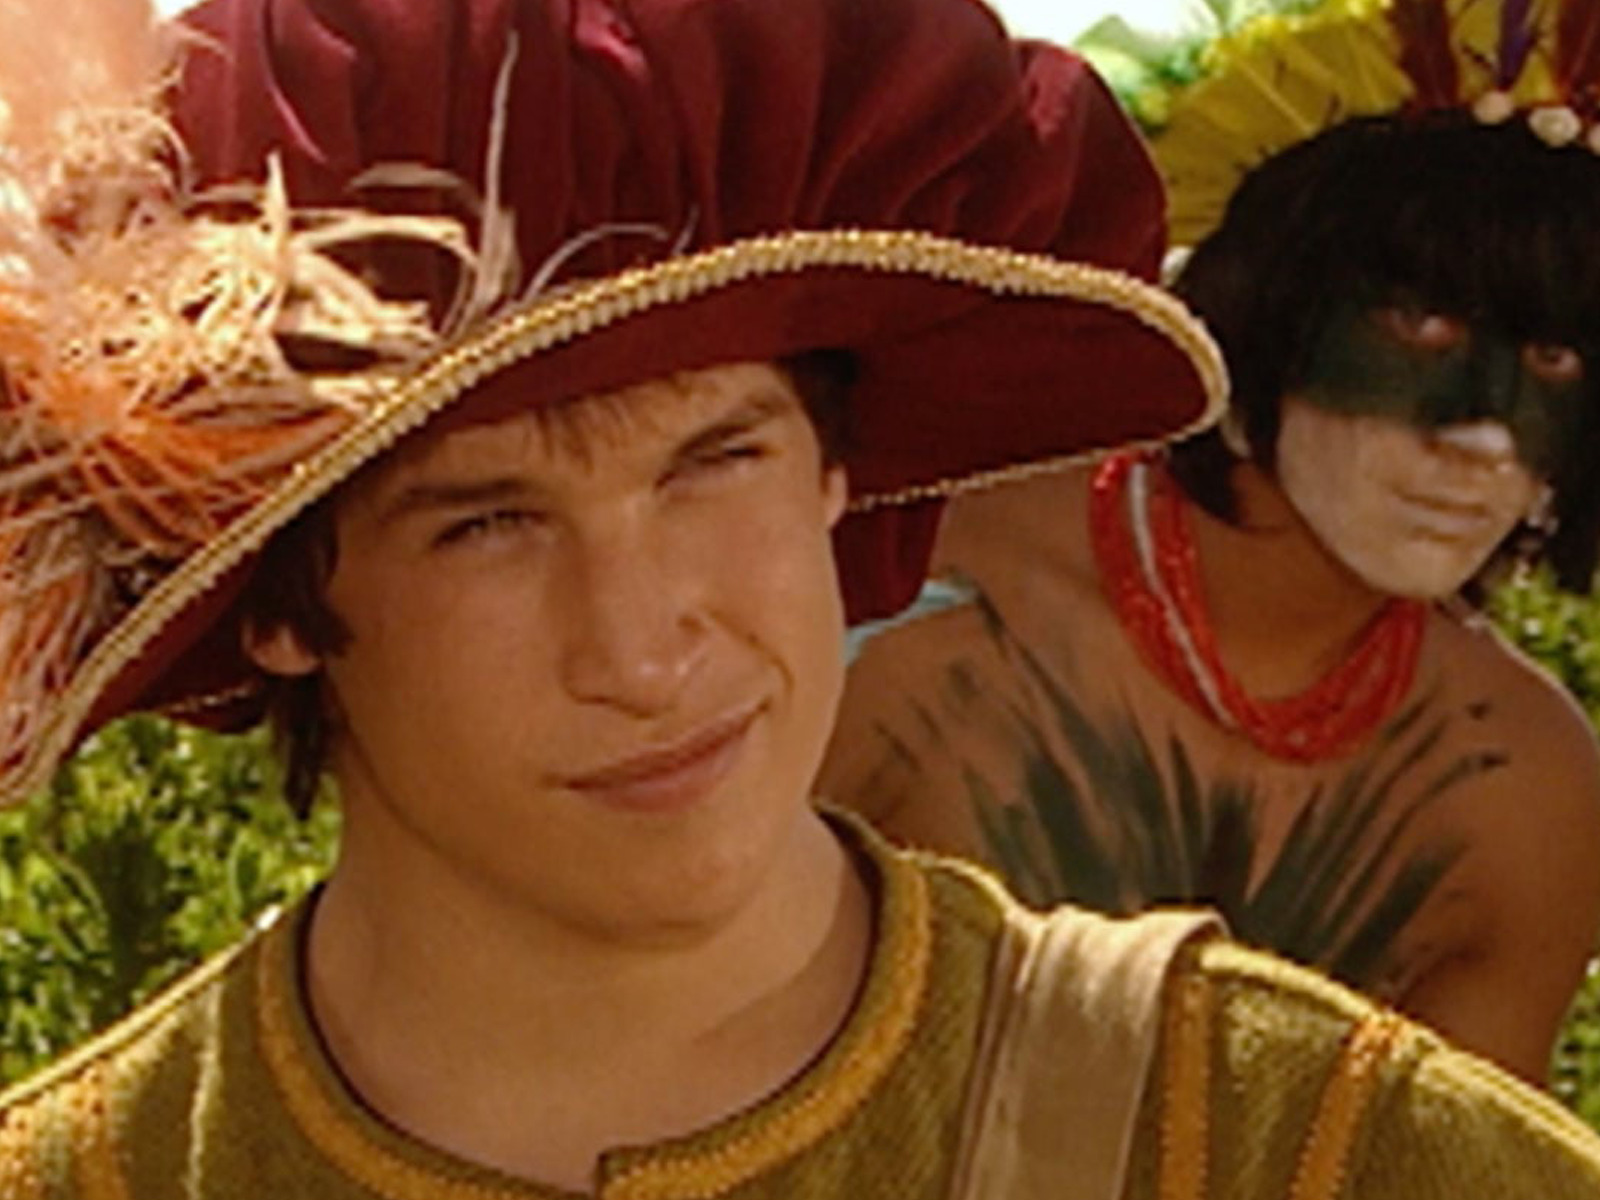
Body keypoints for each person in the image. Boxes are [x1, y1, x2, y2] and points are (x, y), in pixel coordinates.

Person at [2, 0, 1600, 1197]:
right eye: (487, 525)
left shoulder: (1300, 1143)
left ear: (840, 472)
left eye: (714, 462)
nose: (646, 649)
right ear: (276, 599)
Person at [821, 0, 1600, 1085]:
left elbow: (1468, 1152)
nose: (1478, 433)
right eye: (1419, 326)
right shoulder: (911, 590)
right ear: (1261, 306)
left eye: (1553, 359)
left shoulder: (1520, 787)